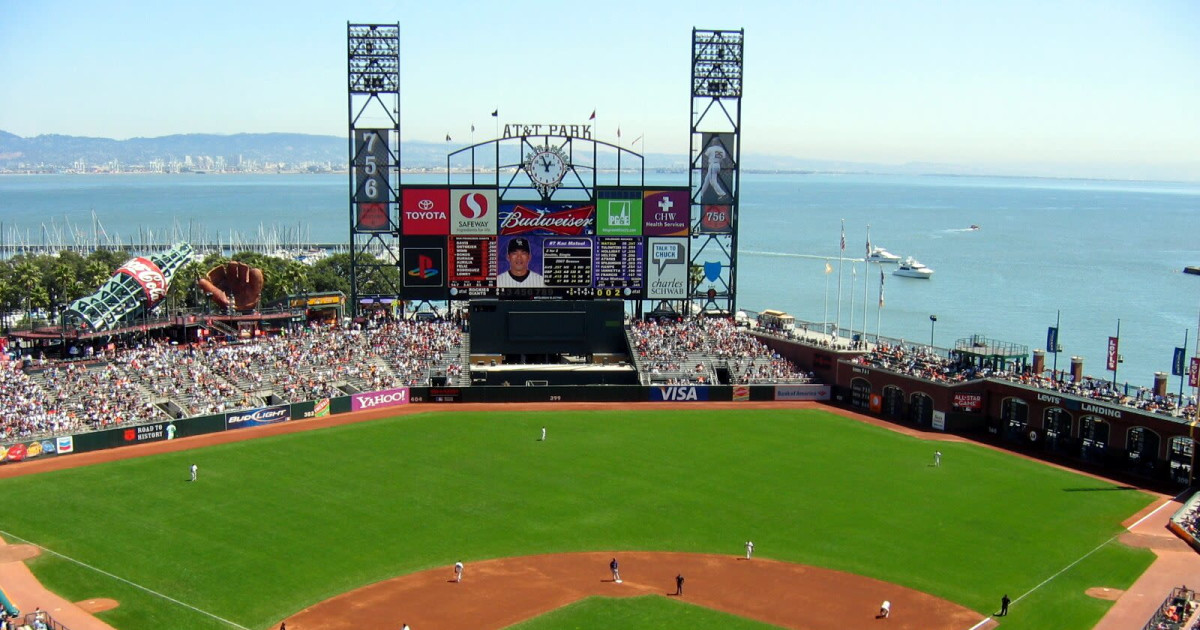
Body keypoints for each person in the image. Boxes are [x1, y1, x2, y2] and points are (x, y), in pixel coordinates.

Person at [700, 136, 730, 201]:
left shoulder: (711, 149)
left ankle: (723, 194)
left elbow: (705, 155)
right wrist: (727, 166)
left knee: (713, 181)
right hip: (718, 165)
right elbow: (725, 160)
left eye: (713, 141)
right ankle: (701, 194)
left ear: (714, 142)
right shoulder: (722, 150)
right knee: (707, 180)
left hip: (712, 165)